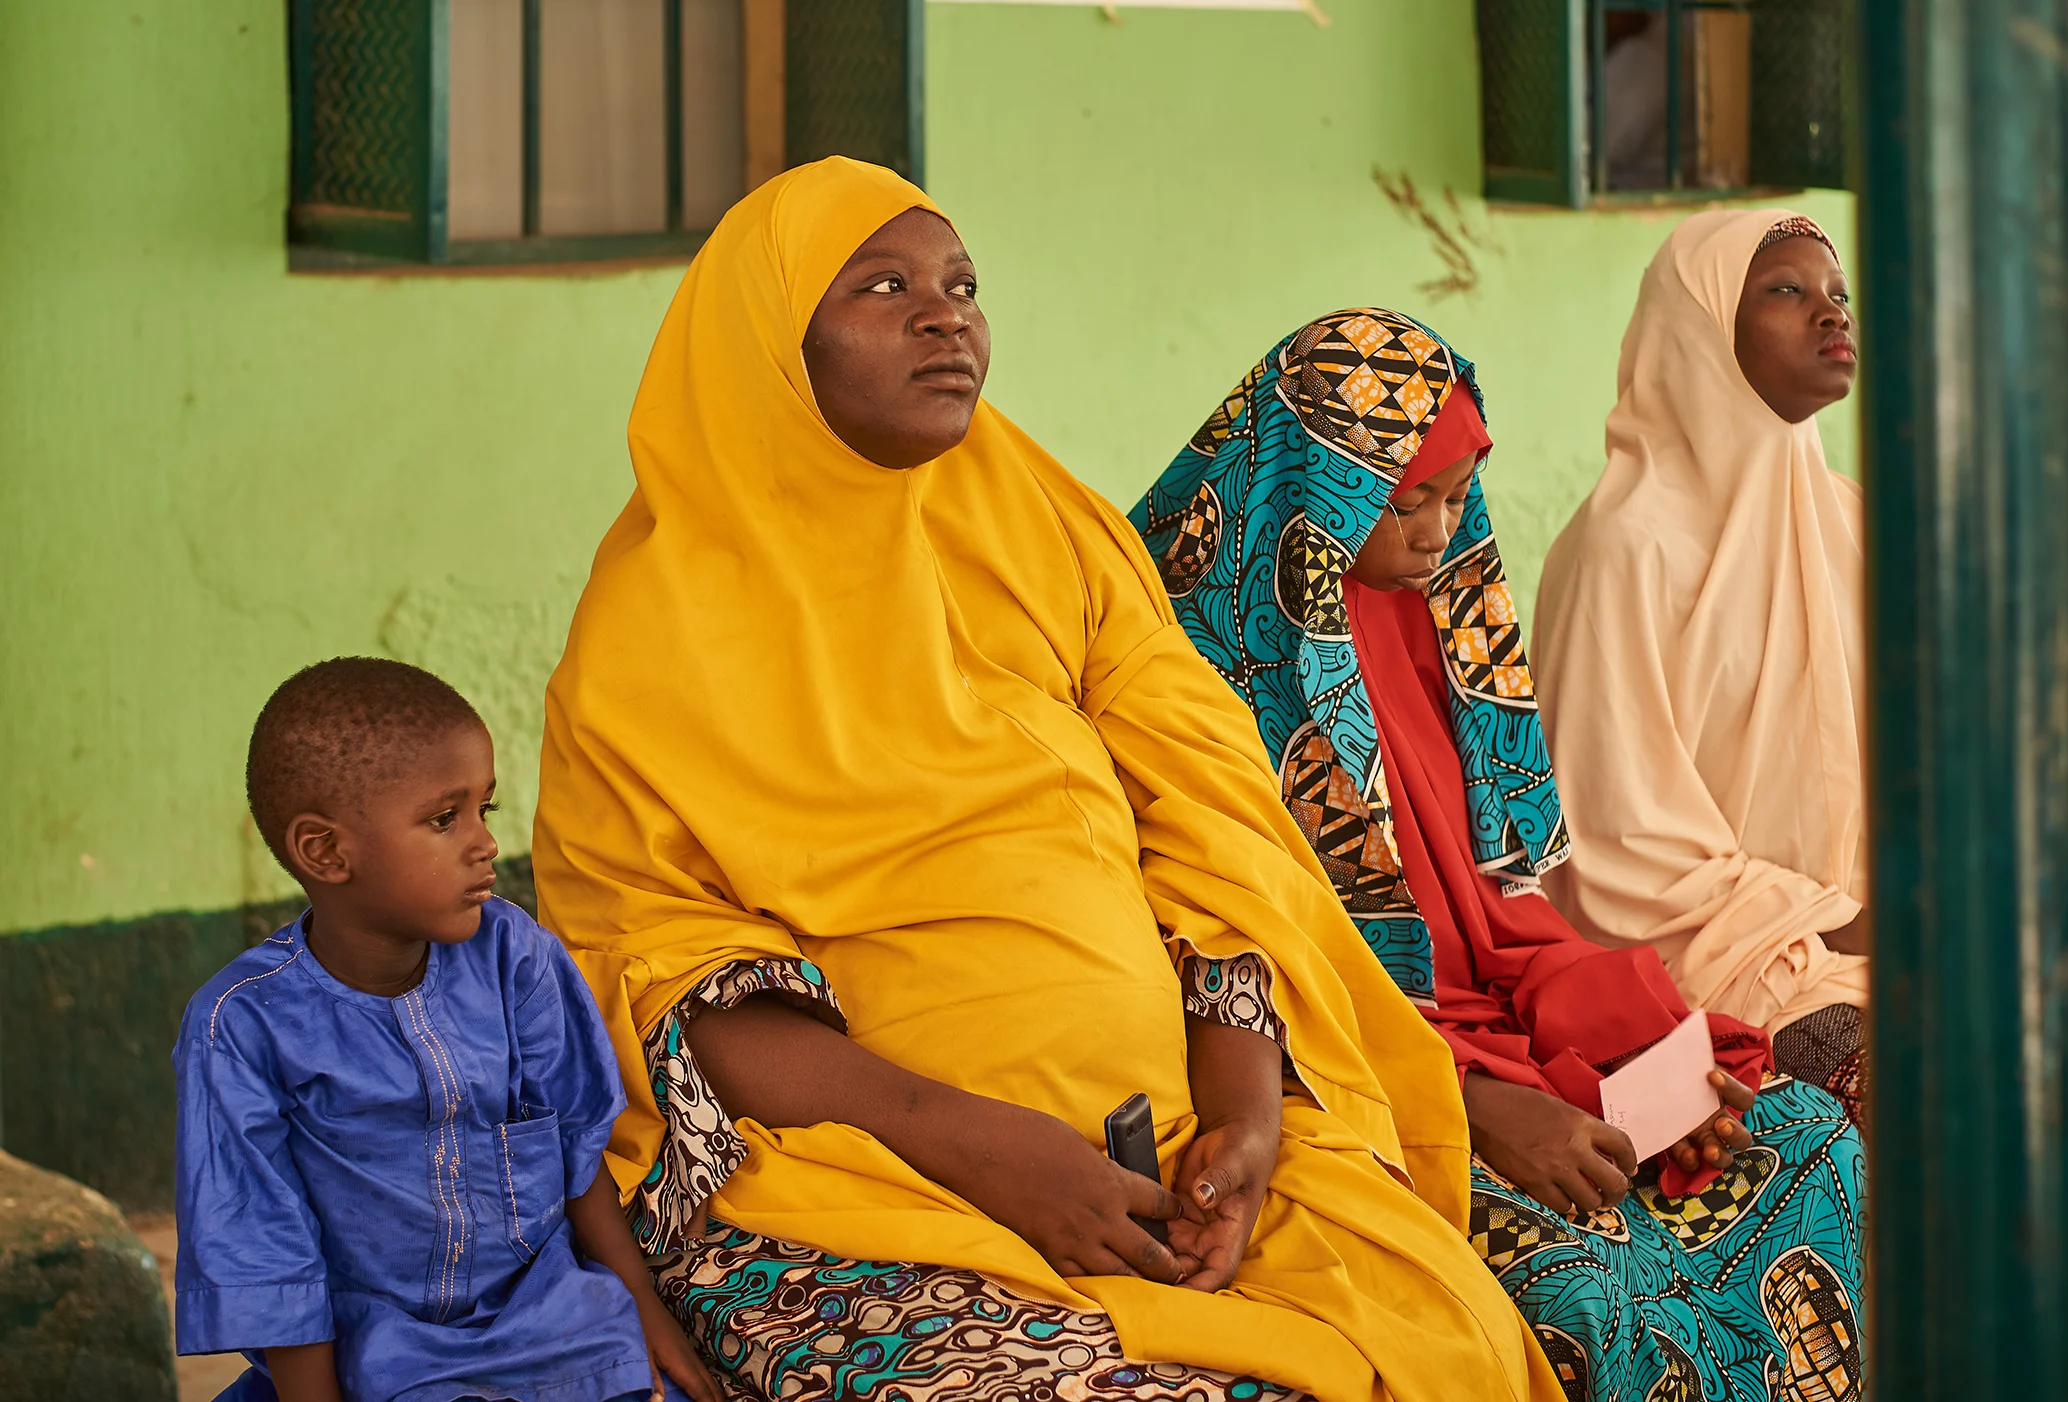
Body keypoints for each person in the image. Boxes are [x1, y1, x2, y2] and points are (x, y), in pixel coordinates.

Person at [532, 157, 1565, 1401]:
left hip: (1176, 1136)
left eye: (962, 283)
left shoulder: (1048, 529)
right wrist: (975, 1144)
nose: (945, 313)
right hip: (867, 1183)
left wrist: (1241, 1115)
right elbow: (661, 967)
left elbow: (1213, 820)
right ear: (765, 344)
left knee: (1448, 1334)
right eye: (883, 286)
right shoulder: (650, 638)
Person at [1132, 307, 1866, 1402]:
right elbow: (1237, 961)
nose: (1438, 532)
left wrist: (1659, 1063)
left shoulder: (1415, 628)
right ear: (1309, 491)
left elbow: (1503, 917)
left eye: (1457, 492)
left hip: (1497, 1058)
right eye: (1406, 496)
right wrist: (1471, 1103)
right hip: (1344, 1088)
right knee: (1577, 1291)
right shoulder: (1197, 675)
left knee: (1810, 1143)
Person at [174, 658, 713, 1402]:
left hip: (552, 1324)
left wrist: (645, 1315)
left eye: (483, 810)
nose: (484, 843)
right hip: (374, 1354)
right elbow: (266, 1252)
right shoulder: (242, 1027)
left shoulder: (515, 957)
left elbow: (575, 1149)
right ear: (326, 852)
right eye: (442, 819)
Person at [1530, 211, 1869, 1124]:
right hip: (1719, 964)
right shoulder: (1623, 548)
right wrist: (1839, 921)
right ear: (1702, 331)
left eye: (1838, 294)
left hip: (1873, 937)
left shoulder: (1852, 522)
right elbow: (1615, 852)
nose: (1831, 315)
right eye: (1786, 292)